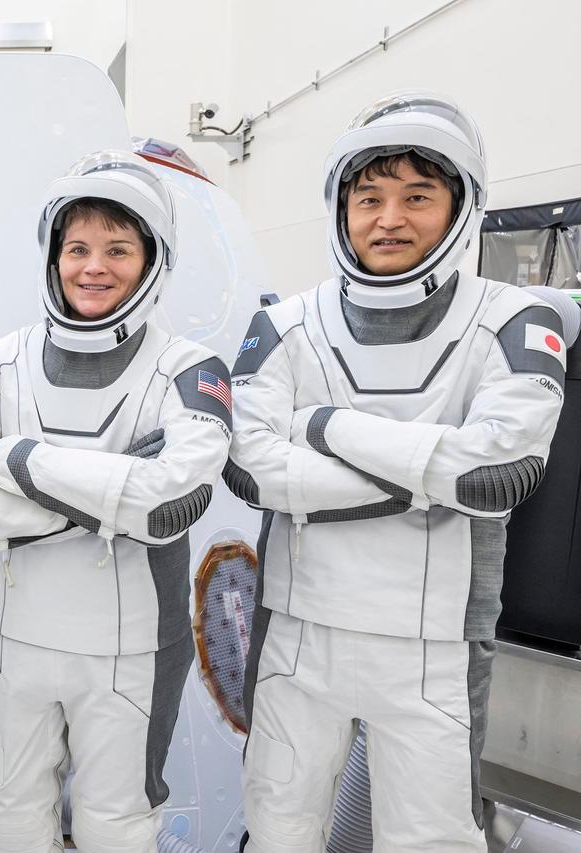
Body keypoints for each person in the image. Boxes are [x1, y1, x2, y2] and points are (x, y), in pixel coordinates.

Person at [227, 91, 567, 851]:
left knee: (433, 838)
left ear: (461, 207)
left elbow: (499, 470)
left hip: (436, 645)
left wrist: (321, 427)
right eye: (369, 197)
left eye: (418, 196)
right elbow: (249, 466)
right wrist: (429, 467)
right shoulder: (284, 325)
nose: (389, 218)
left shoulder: (512, 322)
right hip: (295, 637)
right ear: (341, 208)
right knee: (280, 826)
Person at [0, 150, 232, 853]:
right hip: (13, 648)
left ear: (153, 258)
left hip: (131, 654)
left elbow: (168, 501)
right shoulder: (0, 360)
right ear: (53, 257)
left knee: (118, 825)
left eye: (118, 249)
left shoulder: (189, 370)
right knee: (7, 811)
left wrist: (18, 459)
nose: (93, 267)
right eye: (78, 248)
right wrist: (108, 489)